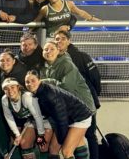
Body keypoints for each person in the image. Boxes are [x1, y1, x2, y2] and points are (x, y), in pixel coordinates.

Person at [25, 70, 93, 159]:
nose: (30, 84)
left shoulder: (49, 94)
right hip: (69, 119)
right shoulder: (39, 92)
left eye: (33, 80)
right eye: (27, 82)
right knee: (55, 148)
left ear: (40, 80)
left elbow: (61, 118)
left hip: (79, 118)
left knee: (66, 151)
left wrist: (62, 139)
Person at [54, 30, 101, 159]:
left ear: (69, 41)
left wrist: (93, 97)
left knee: (90, 135)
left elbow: (95, 78)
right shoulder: (54, 58)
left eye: (63, 38)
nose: (60, 41)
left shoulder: (82, 56)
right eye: (57, 39)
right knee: (73, 137)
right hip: (68, 106)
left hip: (86, 103)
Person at [1, 78, 52, 159]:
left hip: (45, 120)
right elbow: (9, 118)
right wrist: (17, 135)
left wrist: (40, 134)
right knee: (24, 143)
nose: (10, 91)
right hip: (31, 121)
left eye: (12, 87)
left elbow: (38, 117)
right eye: (6, 89)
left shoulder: (27, 97)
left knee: (43, 147)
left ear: (18, 87)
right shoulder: (4, 100)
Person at [40, 41, 96, 112]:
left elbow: (67, 88)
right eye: (46, 49)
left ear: (58, 51)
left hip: (84, 108)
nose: (49, 51)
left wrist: (47, 82)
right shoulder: (45, 68)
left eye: (52, 49)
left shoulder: (67, 64)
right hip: (69, 108)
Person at [34, 0, 102, 38]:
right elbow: (36, 22)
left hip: (64, 40)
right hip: (50, 39)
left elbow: (81, 13)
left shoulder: (68, 4)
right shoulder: (45, 9)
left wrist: (92, 18)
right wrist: (28, 32)